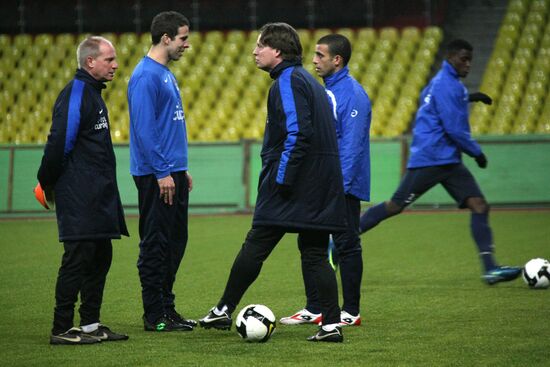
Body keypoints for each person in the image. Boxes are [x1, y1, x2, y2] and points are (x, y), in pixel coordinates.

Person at [198, 22, 347, 342]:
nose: (254, 52)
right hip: (321, 183)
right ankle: (331, 326)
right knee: (315, 253)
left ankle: (223, 310)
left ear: (276, 51)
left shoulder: (287, 81)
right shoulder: (309, 81)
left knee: (256, 243)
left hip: (294, 185)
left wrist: (281, 179)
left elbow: (298, 132)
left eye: (259, 46)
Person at [358, 39, 522, 285]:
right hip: (432, 158)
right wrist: (477, 153)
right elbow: (454, 129)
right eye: (463, 59)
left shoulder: (441, 83)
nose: (467, 65)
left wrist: (468, 97)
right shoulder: (448, 85)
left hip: (446, 160)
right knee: (395, 206)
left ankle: (490, 268)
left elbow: (431, 102)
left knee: (479, 205)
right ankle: (342, 239)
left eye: (470, 60)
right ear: (451, 57)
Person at [37, 36, 129, 345]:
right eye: (109, 59)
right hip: (79, 193)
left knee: (101, 256)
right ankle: (61, 327)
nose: (115, 65)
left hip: (98, 193)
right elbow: (59, 142)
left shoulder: (91, 93)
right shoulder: (76, 93)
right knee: (77, 257)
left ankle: (90, 323)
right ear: (90, 62)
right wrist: (45, 181)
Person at [280, 34, 371, 327]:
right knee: (310, 243)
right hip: (322, 183)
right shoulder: (325, 90)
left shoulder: (353, 94)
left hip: (342, 185)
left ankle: (352, 311)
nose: (314, 60)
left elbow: (352, 147)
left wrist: (337, 188)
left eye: (320, 55)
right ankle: (315, 307)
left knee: (347, 244)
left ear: (337, 60)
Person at [127, 11, 196, 332]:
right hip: (157, 175)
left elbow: (167, 127)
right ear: (166, 38)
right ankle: (154, 314)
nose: (187, 44)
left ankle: (167, 308)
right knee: (155, 243)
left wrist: (180, 170)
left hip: (172, 172)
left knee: (175, 243)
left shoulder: (165, 73)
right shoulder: (145, 76)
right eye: (183, 38)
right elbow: (143, 130)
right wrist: (162, 172)